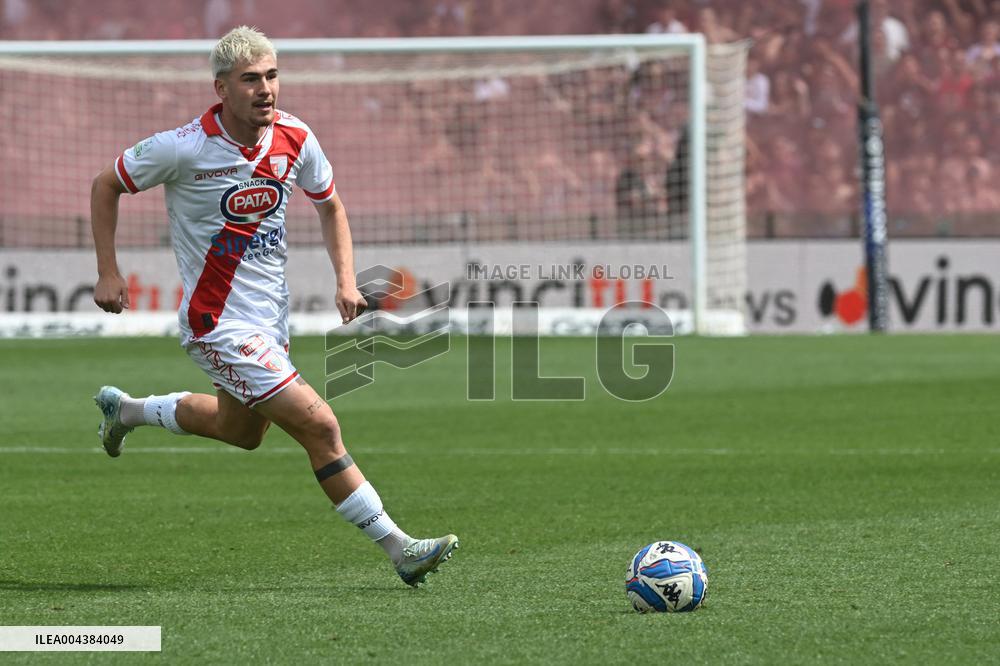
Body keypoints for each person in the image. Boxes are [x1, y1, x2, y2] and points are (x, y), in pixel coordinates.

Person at [89, 26, 458, 587]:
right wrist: (109, 271)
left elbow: (331, 206)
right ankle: (400, 547)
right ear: (222, 88)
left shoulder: (295, 137)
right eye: (250, 79)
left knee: (242, 432)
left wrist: (344, 279)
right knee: (320, 426)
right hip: (216, 323)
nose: (266, 89)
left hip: (268, 321)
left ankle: (129, 411)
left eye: (272, 76)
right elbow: (105, 184)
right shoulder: (182, 147)